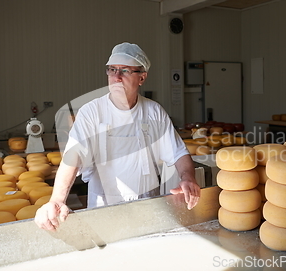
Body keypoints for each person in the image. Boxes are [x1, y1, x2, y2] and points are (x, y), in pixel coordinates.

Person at [35, 42, 201, 231]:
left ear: (142, 77)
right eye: (112, 70)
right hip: (104, 210)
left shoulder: (154, 112)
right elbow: (73, 157)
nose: (116, 77)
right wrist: (57, 199)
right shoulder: (92, 112)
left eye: (124, 71)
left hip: (146, 207)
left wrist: (188, 178)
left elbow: (178, 153)